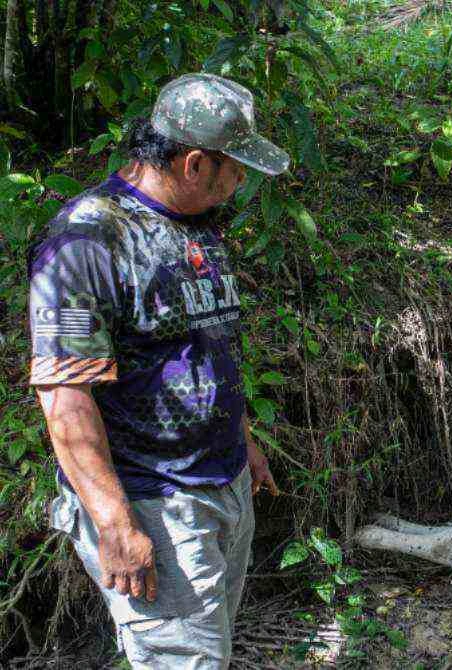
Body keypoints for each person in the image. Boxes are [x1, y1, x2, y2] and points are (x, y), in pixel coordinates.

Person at [29, 73, 288, 669]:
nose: (241, 181)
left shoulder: (195, 220)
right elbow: (65, 395)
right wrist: (115, 524)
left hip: (219, 481)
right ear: (194, 162)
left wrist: (242, 441)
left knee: (207, 650)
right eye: (236, 167)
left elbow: (204, 342)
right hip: (155, 499)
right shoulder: (86, 242)